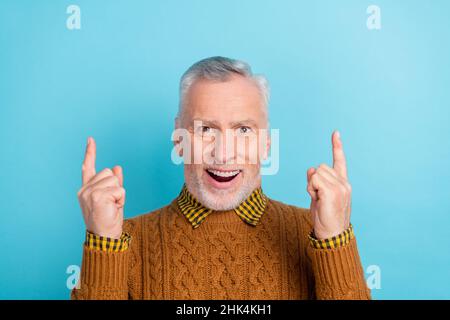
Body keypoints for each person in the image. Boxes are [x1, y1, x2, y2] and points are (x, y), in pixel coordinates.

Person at [72, 56, 371, 300]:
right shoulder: (122, 242)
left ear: (266, 143)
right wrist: (103, 243)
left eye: (243, 130)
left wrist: (335, 241)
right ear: (179, 139)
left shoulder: (316, 235)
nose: (224, 155)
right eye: (206, 130)